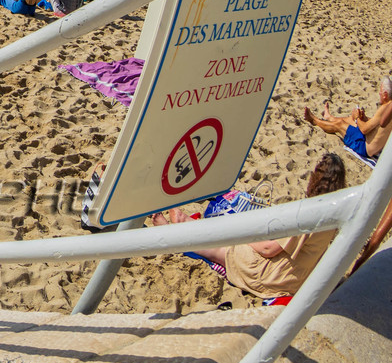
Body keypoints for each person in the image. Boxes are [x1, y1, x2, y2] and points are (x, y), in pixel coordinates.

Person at [152, 153, 345, 300]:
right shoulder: (333, 213)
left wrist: (243, 234)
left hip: (271, 276)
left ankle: (176, 226)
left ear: (315, 179)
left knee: (222, 245)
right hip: (295, 278)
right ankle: (183, 223)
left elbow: (269, 249)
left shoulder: (307, 213)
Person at [304, 77, 392, 163]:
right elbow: (377, 124)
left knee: (340, 124)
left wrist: (357, 118)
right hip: (369, 141)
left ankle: (314, 120)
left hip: (364, 147)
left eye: (380, 92)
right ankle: (329, 117)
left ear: (385, 95)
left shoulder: (385, 109)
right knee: (350, 119)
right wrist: (364, 118)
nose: (379, 94)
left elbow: (364, 129)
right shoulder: (387, 109)